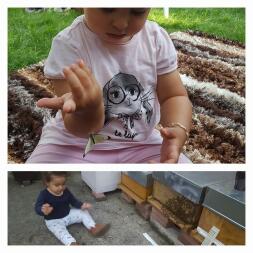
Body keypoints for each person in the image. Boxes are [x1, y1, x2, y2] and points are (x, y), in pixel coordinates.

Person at [27, 8, 192, 163]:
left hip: (143, 144)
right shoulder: (69, 44)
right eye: (107, 8)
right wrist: (88, 110)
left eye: (137, 11)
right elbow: (79, 128)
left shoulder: (156, 39)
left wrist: (177, 129)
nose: (121, 24)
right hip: (74, 144)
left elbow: (174, 96)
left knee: (180, 171)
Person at [35, 171, 110, 245]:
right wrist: (43, 210)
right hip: (54, 220)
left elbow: (73, 201)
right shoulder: (44, 194)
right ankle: (72, 243)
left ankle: (93, 227)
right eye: (57, 185)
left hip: (68, 214)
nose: (61, 187)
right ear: (47, 183)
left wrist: (82, 205)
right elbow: (37, 208)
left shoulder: (65, 190)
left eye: (63, 184)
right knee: (60, 232)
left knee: (83, 212)